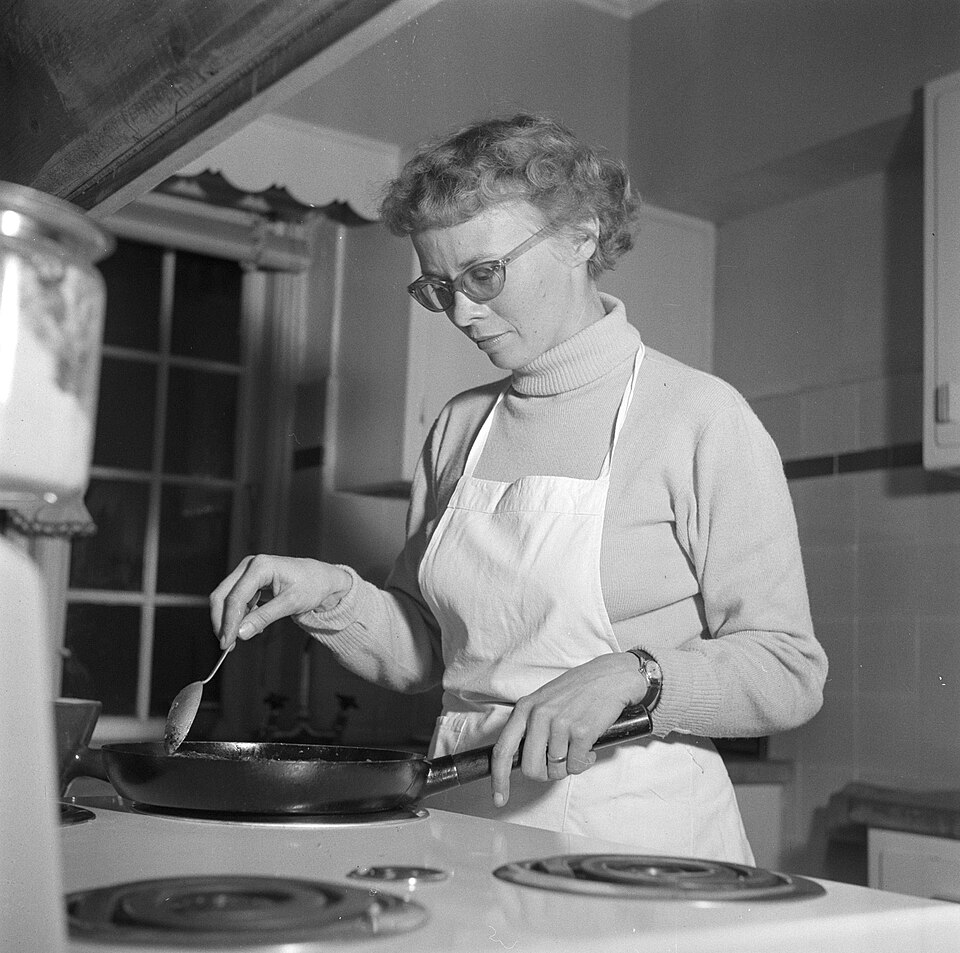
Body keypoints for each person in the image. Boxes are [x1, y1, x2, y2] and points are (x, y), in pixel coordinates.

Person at [210, 114, 827, 863]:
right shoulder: (459, 426)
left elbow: (789, 672)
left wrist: (635, 674)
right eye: (438, 287)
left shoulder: (699, 417)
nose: (462, 313)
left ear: (580, 237)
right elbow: (428, 656)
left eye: (482, 275)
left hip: (638, 836)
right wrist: (331, 595)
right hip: (464, 812)